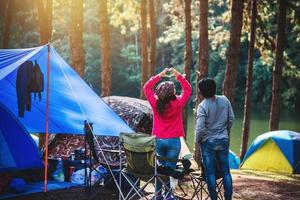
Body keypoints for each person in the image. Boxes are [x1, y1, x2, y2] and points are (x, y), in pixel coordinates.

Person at [143, 67, 192, 199]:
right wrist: (179, 76)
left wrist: (160, 75)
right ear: (172, 93)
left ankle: (158, 195)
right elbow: (188, 89)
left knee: (160, 169)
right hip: (174, 142)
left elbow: (147, 87)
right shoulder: (178, 103)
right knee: (170, 171)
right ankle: (168, 195)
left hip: (158, 140)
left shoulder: (155, 103)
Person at [195, 78, 234, 200]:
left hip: (208, 142)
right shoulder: (225, 100)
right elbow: (231, 118)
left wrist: (198, 140)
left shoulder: (202, 106)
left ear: (202, 91)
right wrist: (224, 131)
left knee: (210, 173)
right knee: (226, 172)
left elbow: (200, 128)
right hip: (223, 140)